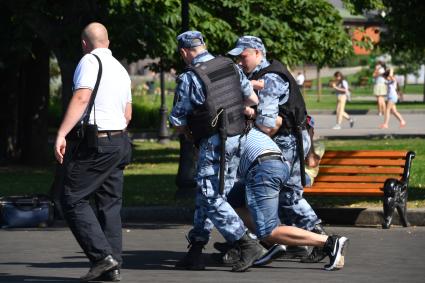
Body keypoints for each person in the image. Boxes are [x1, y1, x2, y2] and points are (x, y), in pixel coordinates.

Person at [169, 31, 265, 272]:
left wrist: (192, 134)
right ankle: (196, 249)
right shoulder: (230, 67)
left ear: (183, 52)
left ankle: (246, 243)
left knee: (211, 195)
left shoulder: (190, 77)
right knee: (211, 194)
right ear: (204, 45)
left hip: (213, 142)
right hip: (238, 137)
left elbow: (178, 121)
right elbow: (252, 99)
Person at [228, 36, 326, 262]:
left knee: (289, 194)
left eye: (243, 57)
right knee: (280, 193)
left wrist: (249, 118)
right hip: (286, 139)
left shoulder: (270, 77)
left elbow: (267, 124)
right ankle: (292, 243)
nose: (241, 62)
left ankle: (319, 237)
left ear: (257, 53)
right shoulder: (259, 76)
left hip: (288, 140)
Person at [54, 22, 132, 282]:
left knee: (72, 198)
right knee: (110, 203)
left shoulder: (88, 61)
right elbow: (127, 113)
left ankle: (102, 258)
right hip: (120, 142)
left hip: (98, 143)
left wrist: (62, 133)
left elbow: (81, 98)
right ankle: (113, 266)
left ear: (84, 44)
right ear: (107, 42)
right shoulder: (121, 69)